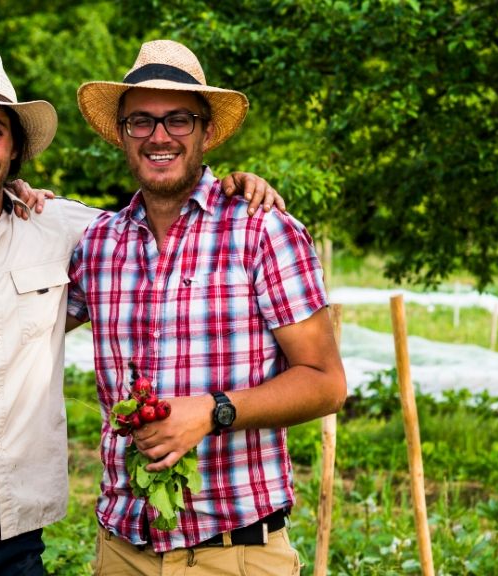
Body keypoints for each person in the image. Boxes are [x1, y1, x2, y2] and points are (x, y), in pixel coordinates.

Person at [0, 51, 281, 575]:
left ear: (16, 148)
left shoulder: (69, 230)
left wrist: (238, 185)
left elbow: (162, 216)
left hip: (19, 540)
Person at [66, 39, 347, 574]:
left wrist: (212, 411)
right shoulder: (98, 245)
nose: (159, 136)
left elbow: (326, 382)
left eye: (178, 119)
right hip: (124, 550)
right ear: (122, 135)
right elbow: (14, 295)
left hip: (235, 550)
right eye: (140, 122)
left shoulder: (262, 230)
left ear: (207, 131)